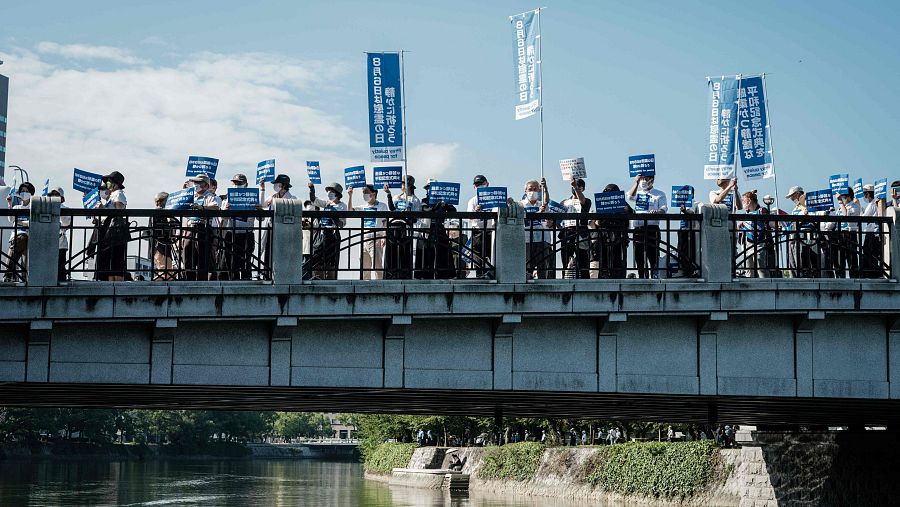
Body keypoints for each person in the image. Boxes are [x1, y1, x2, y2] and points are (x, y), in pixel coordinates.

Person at [627, 174, 668, 279]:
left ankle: (654, 276)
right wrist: (636, 182)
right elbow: (630, 196)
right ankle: (641, 276)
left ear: (651, 180)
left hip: (651, 228)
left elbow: (663, 209)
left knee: (653, 254)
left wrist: (657, 212)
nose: (643, 181)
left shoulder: (659, 194)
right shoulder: (638, 193)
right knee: (639, 255)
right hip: (638, 229)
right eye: (642, 179)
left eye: (645, 179)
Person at [183, 174, 221, 281]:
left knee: (202, 255)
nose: (196, 185)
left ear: (205, 185)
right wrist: (183, 193)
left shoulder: (209, 196)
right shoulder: (192, 196)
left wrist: (202, 207)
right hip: (191, 226)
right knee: (187, 252)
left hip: (203, 227)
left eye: (198, 183)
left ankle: (201, 280)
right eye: (195, 183)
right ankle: (189, 279)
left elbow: (215, 208)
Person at [348, 184, 388, 280]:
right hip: (364, 239)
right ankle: (365, 286)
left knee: (377, 265)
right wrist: (350, 196)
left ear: (373, 193)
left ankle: (379, 286)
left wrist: (384, 236)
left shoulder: (382, 206)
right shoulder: (363, 207)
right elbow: (350, 211)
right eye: (363, 192)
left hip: (376, 238)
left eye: (366, 192)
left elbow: (385, 221)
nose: (364, 194)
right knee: (365, 267)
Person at [383, 176, 421, 279]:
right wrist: (389, 194)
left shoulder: (415, 200)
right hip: (394, 225)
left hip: (406, 227)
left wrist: (410, 214)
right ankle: (390, 275)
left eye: (404, 184)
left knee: (405, 252)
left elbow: (415, 219)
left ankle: (405, 275)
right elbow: (392, 209)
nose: (402, 186)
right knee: (391, 252)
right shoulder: (397, 197)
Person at [591, 183, 631, 279]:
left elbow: (631, 212)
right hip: (604, 232)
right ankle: (605, 272)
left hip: (617, 232)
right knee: (604, 254)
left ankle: (616, 273)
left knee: (616, 255)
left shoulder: (622, 202)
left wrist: (626, 209)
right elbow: (596, 219)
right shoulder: (603, 201)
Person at [308, 181, 346, 280]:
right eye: (328, 191)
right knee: (317, 257)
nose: (329, 193)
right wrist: (312, 189)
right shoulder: (326, 204)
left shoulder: (342, 206)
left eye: (331, 191)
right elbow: (314, 200)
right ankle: (317, 280)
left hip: (332, 235)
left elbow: (342, 224)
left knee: (331, 261)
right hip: (322, 234)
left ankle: (330, 281)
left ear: (337, 194)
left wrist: (335, 217)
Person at [220, 174, 255, 280]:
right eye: (235, 183)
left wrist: (257, 209)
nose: (237, 185)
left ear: (246, 185)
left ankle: (247, 284)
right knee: (230, 261)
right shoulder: (227, 199)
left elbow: (261, 218)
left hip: (246, 234)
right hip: (231, 234)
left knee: (246, 262)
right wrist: (225, 211)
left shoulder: (252, 198)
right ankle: (232, 282)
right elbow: (223, 219)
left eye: (239, 183)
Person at [260, 174, 296, 279]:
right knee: (269, 250)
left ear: (283, 185)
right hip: (271, 228)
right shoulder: (273, 196)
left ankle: (283, 275)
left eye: (277, 184)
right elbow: (262, 204)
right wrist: (262, 189)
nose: (275, 186)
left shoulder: (292, 198)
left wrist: (278, 202)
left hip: (284, 231)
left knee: (282, 252)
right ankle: (267, 274)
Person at [95, 171, 128, 281]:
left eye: (109, 181)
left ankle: (115, 282)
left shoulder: (118, 194)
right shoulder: (111, 195)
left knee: (115, 259)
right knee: (109, 258)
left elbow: (119, 210)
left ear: (115, 183)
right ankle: (108, 280)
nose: (107, 183)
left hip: (114, 230)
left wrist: (103, 209)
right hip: (109, 229)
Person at [737, 190, 777, 278]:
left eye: (743, 200)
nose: (742, 202)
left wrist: (777, 226)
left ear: (749, 200)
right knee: (748, 268)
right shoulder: (745, 214)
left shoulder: (761, 210)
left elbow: (770, 222)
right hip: (747, 243)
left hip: (760, 242)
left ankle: (766, 286)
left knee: (760, 266)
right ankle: (749, 287)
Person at [520, 178, 554, 279]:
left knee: (542, 267)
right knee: (527, 266)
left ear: (539, 191)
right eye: (530, 189)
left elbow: (547, 204)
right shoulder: (520, 205)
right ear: (525, 191)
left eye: (535, 189)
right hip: (526, 240)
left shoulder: (541, 205)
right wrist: (538, 213)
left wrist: (546, 188)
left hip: (542, 239)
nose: (533, 191)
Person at [560, 177, 591, 279]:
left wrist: (575, 186)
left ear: (583, 189)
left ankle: (585, 282)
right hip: (567, 232)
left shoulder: (587, 201)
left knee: (583, 261)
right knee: (566, 260)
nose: (576, 188)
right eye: (574, 186)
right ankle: (565, 280)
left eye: (579, 186)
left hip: (581, 233)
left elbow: (582, 201)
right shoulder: (564, 202)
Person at [784, 186, 818, 278]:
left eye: (792, 196)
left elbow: (813, 215)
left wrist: (804, 209)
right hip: (798, 235)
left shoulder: (809, 204)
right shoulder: (795, 208)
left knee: (810, 254)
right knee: (801, 255)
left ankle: (812, 273)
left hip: (808, 233)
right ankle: (803, 273)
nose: (791, 199)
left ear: (798, 194)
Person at [3, 182, 34, 282]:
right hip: (16, 237)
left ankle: (8, 275)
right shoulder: (17, 207)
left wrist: (20, 222)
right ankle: (17, 277)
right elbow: (11, 219)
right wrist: (9, 204)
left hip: (27, 236)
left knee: (22, 258)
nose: (24, 193)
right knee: (17, 250)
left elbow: (31, 223)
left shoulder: (32, 208)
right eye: (22, 191)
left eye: (27, 191)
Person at [466, 174, 494, 278]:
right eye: (477, 185)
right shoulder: (472, 201)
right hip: (478, 231)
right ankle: (479, 276)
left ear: (487, 184)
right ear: (474, 187)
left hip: (492, 231)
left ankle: (494, 275)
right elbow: (469, 216)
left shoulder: (493, 198)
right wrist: (475, 211)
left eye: (481, 184)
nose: (479, 186)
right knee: (478, 257)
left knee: (493, 255)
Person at [150, 192, 179, 280]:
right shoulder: (159, 212)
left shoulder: (158, 212)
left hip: (162, 246)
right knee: (165, 271)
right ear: (162, 201)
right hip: (160, 246)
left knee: (166, 271)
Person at [47, 187, 72, 282]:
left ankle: (61, 283)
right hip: (48, 241)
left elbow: (66, 223)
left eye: (56, 195)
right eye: (51, 195)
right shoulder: (46, 208)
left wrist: (58, 209)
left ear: (61, 198)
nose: (53, 197)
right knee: (48, 265)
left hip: (60, 241)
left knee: (60, 266)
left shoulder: (66, 209)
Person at [860, 184, 886, 278]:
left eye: (865, 194)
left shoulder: (872, 204)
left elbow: (864, 217)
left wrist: (860, 209)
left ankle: (870, 274)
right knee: (870, 253)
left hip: (871, 232)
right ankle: (871, 273)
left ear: (868, 194)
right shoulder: (873, 203)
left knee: (869, 253)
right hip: (872, 231)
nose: (864, 196)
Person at [835, 187, 861, 278]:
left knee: (851, 259)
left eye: (843, 197)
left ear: (848, 197)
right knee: (840, 259)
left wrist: (840, 203)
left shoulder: (855, 206)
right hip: (840, 234)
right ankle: (840, 279)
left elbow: (845, 215)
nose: (841, 199)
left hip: (850, 234)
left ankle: (855, 280)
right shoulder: (840, 208)